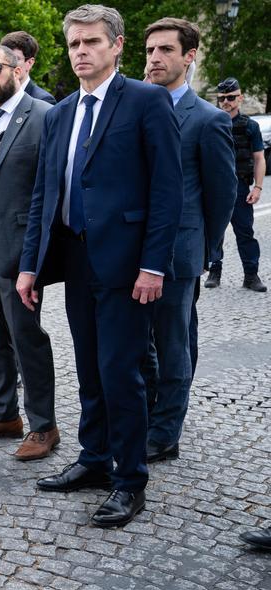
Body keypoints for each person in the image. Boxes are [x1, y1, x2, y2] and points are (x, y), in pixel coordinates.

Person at [17, 4, 182, 527]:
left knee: (121, 373)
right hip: (75, 259)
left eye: (91, 42)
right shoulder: (61, 112)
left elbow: (166, 192)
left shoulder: (147, 101)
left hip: (129, 265)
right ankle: (93, 460)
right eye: (73, 44)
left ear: (117, 46)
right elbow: (45, 194)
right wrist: (29, 266)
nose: (81, 51)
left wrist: (154, 266)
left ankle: (129, 479)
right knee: (88, 367)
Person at [142, 18, 236, 463]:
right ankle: (150, 414)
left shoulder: (208, 119)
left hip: (179, 252)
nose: (155, 59)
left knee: (174, 342)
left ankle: (165, 433)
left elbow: (223, 194)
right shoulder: (139, 108)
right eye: (150, 51)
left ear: (189, 55)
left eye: (165, 50)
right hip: (135, 249)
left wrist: (204, 249)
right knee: (145, 344)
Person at [0, 45, 58, 460]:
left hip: (19, 250)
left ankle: (44, 425)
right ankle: (3, 413)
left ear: (17, 70)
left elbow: (49, 193)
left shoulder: (42, 117)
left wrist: (34, 261)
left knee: (25, 337)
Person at [206, 77, 267, 292]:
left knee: (245, 232)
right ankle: (215, 270)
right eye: (222, 98)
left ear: (240, 98)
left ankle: (251, 275)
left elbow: (259, 158)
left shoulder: (250, 126)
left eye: (231, 97)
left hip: (240, 187)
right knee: (215, 232)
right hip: (214, 188)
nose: (226, 102)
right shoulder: (210, 123)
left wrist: (258, 188)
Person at [0, 31, 56, 104]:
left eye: (15, 59)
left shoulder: (43, 100)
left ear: (30, 63)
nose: (8, 64)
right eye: (5, 59)